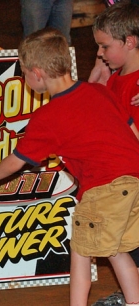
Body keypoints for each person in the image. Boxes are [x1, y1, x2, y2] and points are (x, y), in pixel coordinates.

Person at [0, 28, 139, 306]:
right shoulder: (99, 91)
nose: (23, 77)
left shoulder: (49, 116)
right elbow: (132, 130)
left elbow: (16, 161)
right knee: (117, 250)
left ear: (37, 73)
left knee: (80, 252)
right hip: (134, 181)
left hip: (105, 187)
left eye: (23, 72)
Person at [88, 2, 139, 305]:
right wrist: (98, 77)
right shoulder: (116, 79)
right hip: (123, 179)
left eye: (105, 47)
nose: (101, 53)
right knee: (123, 241)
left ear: (130, 42)